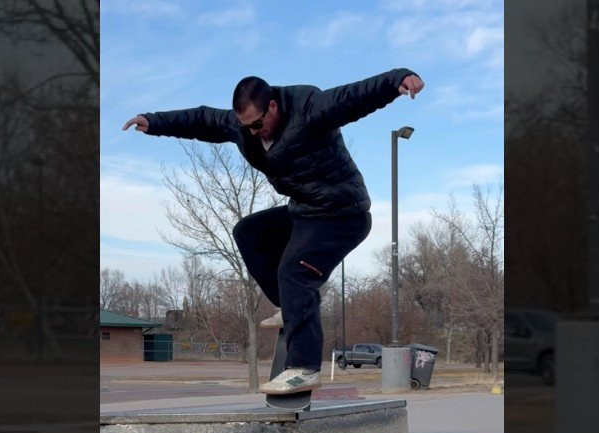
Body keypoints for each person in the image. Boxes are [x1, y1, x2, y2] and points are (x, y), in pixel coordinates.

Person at [123, 68, 425, 395]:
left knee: (295, 271)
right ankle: (290, 306)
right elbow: (203, 120)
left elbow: (353, 98)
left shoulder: (309, 107)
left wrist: (398, 80)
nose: (253, 132)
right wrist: (154, 122)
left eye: (257, 124)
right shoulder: (243, 127)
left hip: (343, 214)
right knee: (248, 232)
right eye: (245, 127)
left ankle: (304, 368)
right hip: (305, 211)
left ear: (273, 107)